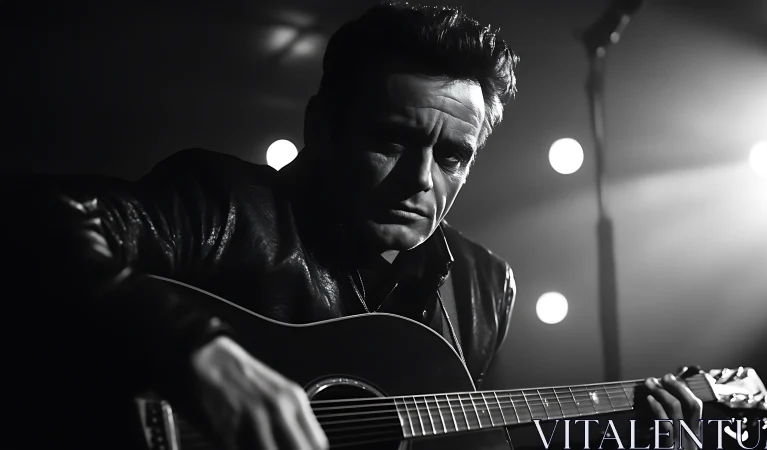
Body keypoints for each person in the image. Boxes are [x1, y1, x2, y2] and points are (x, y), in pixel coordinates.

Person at [3, 2, 702, 449]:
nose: (421, 180)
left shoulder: (484, 289)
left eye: (453, 156)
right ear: (321, 127)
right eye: (392, 141)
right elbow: (32, 218)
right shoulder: (223, 203)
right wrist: (198, 355)